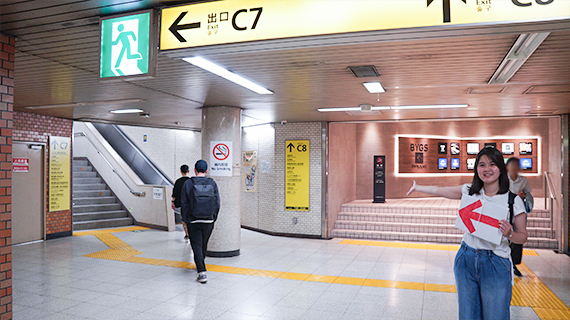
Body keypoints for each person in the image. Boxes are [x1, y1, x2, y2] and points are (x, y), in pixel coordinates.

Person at [407, 147, 527, 320]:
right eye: (482, 164)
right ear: (476, 169)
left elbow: (522, 236)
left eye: (492, 164)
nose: (486, 169)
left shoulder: (513, 200)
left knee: (496, 315)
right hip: (466, 258)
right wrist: (418, 187)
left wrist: (509, 234)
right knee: (468, 315)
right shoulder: (470, 191)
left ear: (500, 168)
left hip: (496, 262)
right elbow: (440, 190)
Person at [181, 160, 220, 284]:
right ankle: (200, 263)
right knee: (203, 244)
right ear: (207, 170)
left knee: (196, 245)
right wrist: (214, 217)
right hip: (209, 220)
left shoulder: (188, 183)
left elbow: (184, 203)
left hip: (193, 220)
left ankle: (201, 271)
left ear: (194, 170)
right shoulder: (212, 183)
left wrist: (186, 219)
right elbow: (217, 203)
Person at [506, 157, 533, 277]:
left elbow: (529, 194)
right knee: (505, 236)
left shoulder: (523, 180)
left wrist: (524, 195)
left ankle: (514, 263)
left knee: (518, 236)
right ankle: (505, 261)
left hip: (518, 211)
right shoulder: (503, 178)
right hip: (505, 210)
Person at [172, 164, 190, 240]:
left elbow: (174, 194)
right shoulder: (190, 181)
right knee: (190, 219)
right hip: (190, 204)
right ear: (188, 171)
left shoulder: (178, 181)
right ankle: (191, 232)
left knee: (183, 219)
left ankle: (186, 233)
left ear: (180, 171)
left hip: (182, 205)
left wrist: (172, 202)